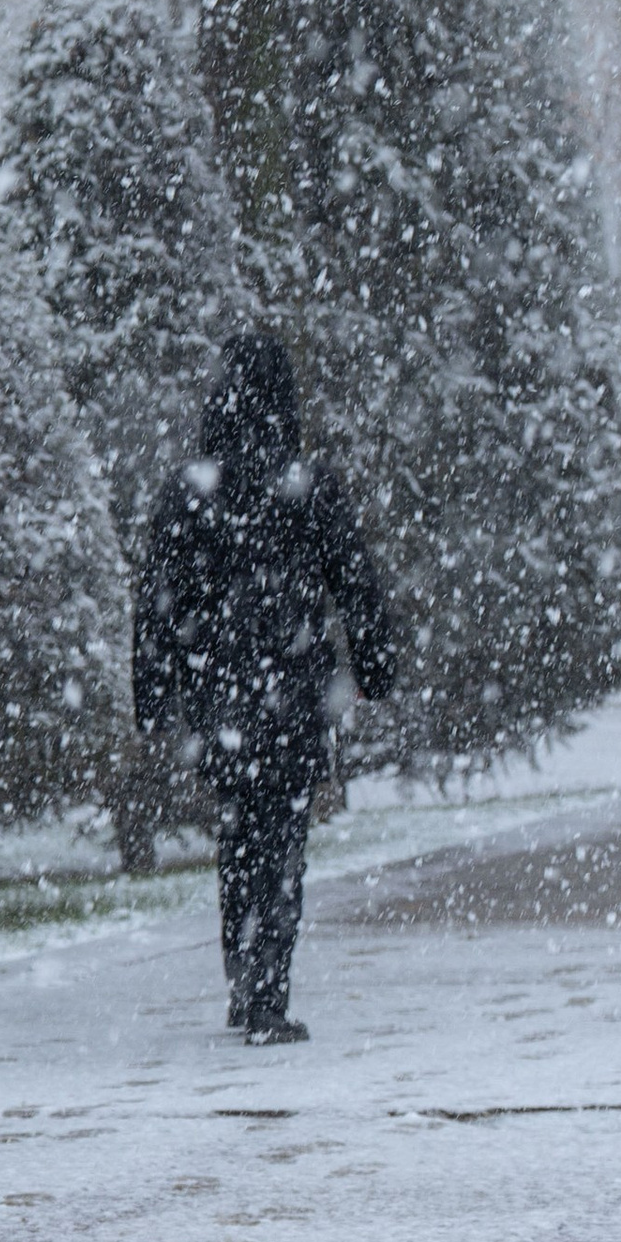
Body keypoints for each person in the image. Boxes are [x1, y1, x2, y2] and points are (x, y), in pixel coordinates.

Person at [132, 328, 397, 1046]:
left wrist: (155, 690)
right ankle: (266, 988)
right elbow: (356, 584)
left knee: (238, 835)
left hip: (220, 693)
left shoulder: (192, 491)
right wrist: (374, 665)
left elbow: (159, 595)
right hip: (293, 690)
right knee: (281, 839)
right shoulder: (306, 486)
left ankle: (242, 970)